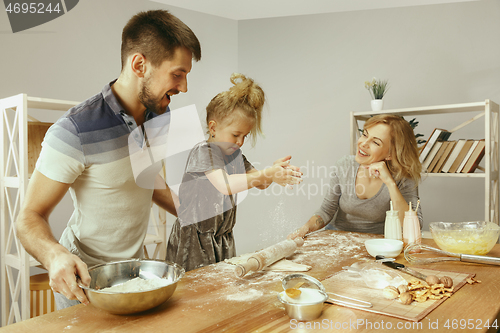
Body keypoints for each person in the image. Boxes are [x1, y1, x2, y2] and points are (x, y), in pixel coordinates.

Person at [15, 10, 201, 310]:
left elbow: (143, 178)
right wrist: (54, 256)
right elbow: (28, 218)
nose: (184, 87)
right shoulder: (75, 129)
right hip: (84, 283)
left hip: (136, 274)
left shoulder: (161, 116)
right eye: (177, 74)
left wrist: (195, 208)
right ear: (139, 64)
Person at [166, 73, 303, 271]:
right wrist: (267, 173)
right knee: (196, 293)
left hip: (221, 238)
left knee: (221, 288)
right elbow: (225, 185)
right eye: (235, 134)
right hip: (194, 240)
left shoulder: (235, 156)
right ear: (213, 128)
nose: (240, 142)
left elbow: (261, 183)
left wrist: (275, 173)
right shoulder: (204, 152)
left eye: (245, 136)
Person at [288, 114, 422, 239]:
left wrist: (389, 183)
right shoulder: (344, 165)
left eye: (375, 142)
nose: (363, 143)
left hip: (377, 243)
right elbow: (326, 210)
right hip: (338, 238)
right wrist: (305, 228)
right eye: (365, 135)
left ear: (390, 154)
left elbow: (414, 225)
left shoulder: (403, 177)